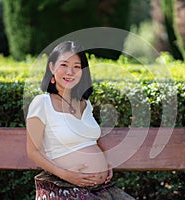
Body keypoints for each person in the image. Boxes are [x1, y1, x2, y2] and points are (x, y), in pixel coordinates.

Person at [26, 41, 134, 199]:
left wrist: (105, 162)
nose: (70, 71)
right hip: (64, 188)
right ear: (51, 68)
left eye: (77, 66)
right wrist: (66, 174)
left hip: (100, 189)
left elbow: (89, 140)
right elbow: (33, 152)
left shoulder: (85, 103)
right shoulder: (42, 103)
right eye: (64, 65)